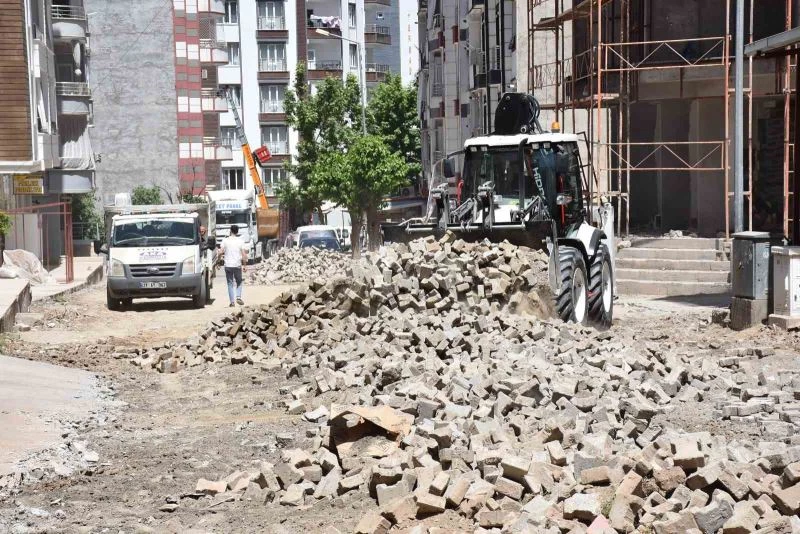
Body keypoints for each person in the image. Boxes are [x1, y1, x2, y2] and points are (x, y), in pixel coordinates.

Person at [220, 224, 247, 307]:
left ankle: (232, 302)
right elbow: (243, 254)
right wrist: (244, 265)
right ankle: (238, 296)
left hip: (228, 265)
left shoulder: (225, 240)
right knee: (239, 281)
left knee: (230, 283)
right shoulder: (240, 241)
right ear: (237, 232)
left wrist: (218, 262)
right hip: (237, 265)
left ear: (230, 231)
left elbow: (221, 251)